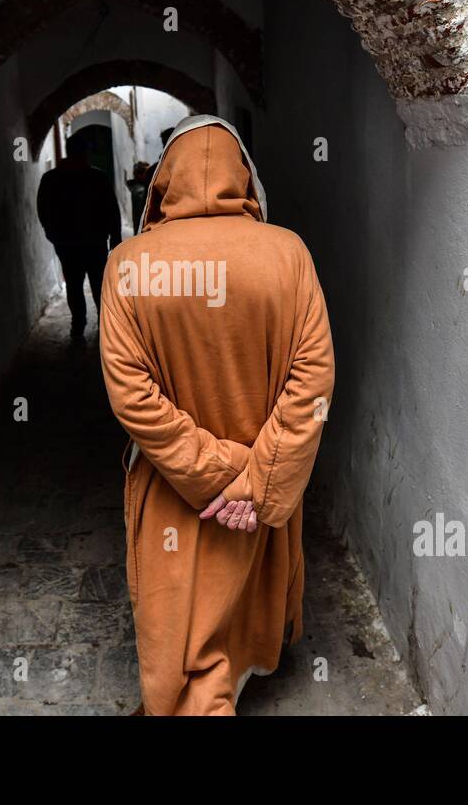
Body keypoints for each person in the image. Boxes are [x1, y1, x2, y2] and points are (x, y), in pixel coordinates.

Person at [99, 115, 336, 715]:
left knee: (187, 642)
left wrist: (213, 471)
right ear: (244, 177)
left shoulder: (128, 267)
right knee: (244, 615)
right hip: (258, 498)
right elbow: (312, 381)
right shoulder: (289, 255)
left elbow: (132, 394)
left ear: (163, 183)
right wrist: (256, 477)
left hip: (179, 494)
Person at [36, 154, 122, 340]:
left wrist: (53, 234)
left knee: (74, 285)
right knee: (98, 283)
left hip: (67, 243)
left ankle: (78, 325)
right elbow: (111, 208)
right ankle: (103, 324)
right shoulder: (98, 177)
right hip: (94, 241)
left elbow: (42, 208)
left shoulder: (51, 178)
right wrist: (115, 237)